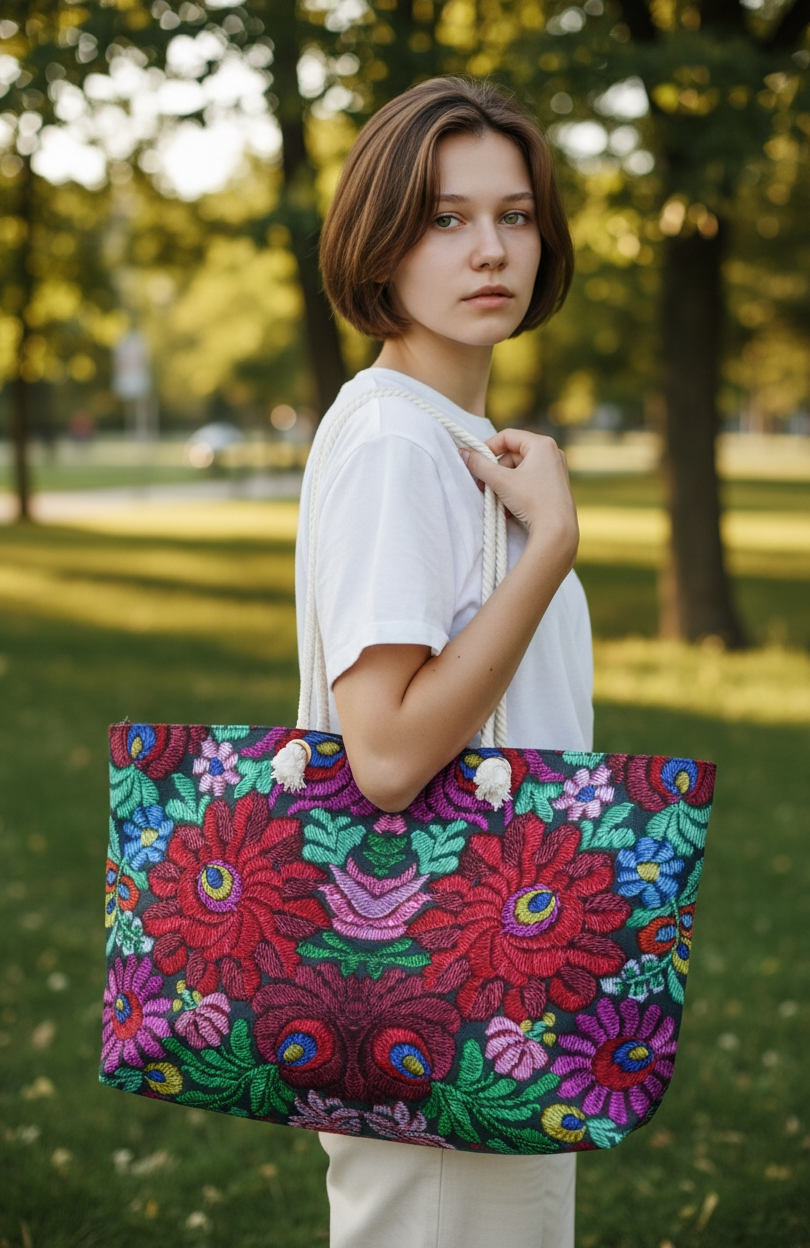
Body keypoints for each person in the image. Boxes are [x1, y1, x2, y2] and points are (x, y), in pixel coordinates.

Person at [297, 76, 591, 1248]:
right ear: (380, 242)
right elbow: (384, 752)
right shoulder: (396, 443)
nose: (491, 251)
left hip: (502, 969)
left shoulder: (451, 436)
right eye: (446, 218)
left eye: (515, 216)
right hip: (444, 981)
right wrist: (553, 546)